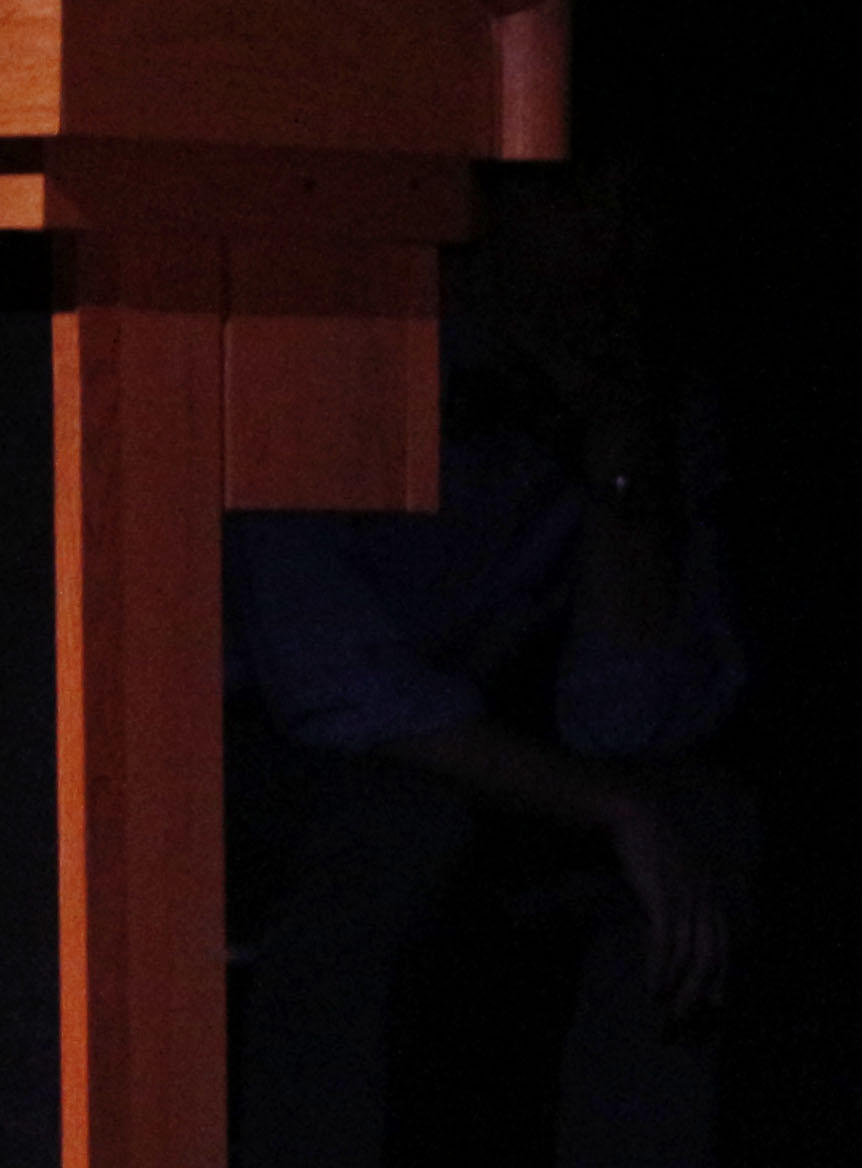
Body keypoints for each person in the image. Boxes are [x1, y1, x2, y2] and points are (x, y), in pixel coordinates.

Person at [227, 160, 749, 1167]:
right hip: (238, 738)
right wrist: (605, 804)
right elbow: (328, 679)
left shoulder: (640, 390)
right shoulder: (328, 350)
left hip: (473, 743)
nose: (608, 241)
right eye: (570, 199)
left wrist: (620, 468)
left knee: (705, 826)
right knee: (383, 829)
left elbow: (625, 717)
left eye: (626, 206)